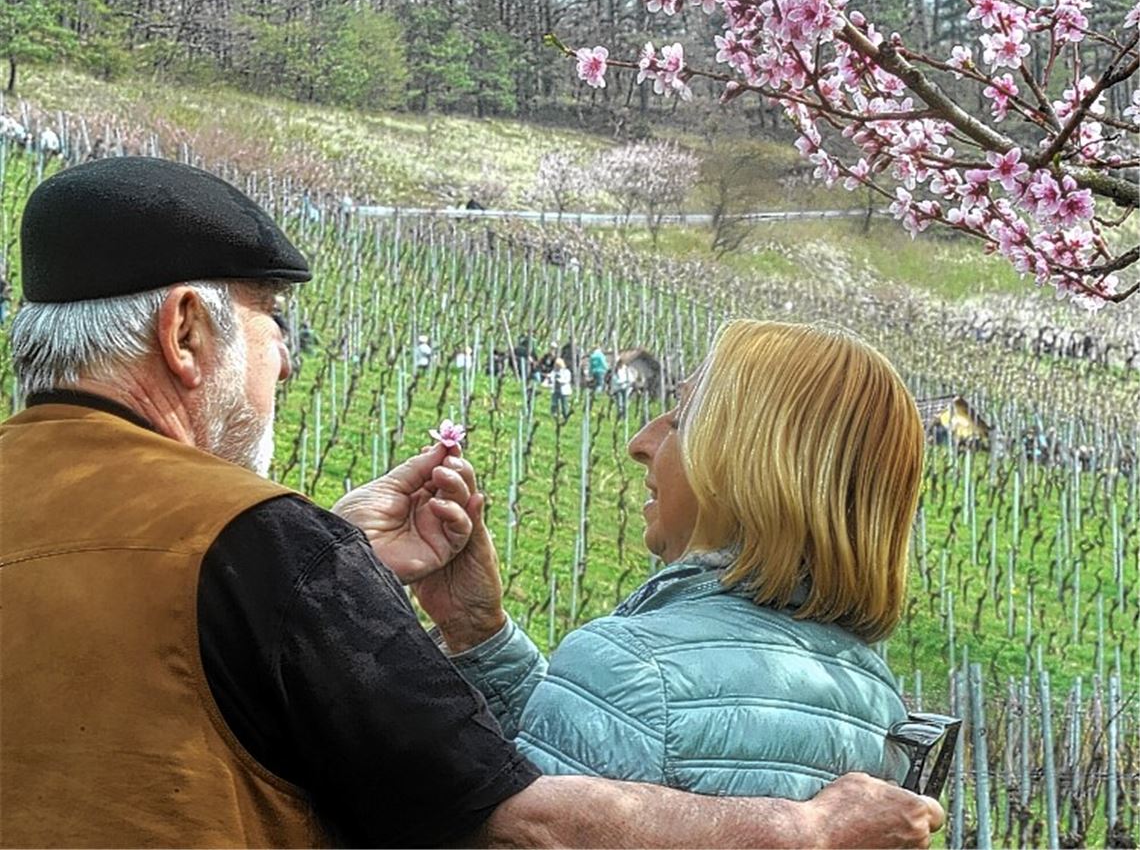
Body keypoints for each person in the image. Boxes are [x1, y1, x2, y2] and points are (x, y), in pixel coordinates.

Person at [0, 159, 943, 848]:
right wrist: (810, 832)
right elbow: (508, 821)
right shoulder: (258, 544)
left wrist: (368, 574)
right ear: (186, 331)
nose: (286, 358)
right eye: (271, 322)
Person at [414, 320, 927, 799]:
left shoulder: (634, 665)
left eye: (680, 420)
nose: (641, 444)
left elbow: (546, 812)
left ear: (748, 466)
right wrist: (478, 629)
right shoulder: (873, 697)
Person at [550, 356, 572, 422]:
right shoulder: (553, 372)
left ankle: (566, 415)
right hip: (556, 390)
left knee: (564, 404)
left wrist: (560, 381)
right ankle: (554, 414)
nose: (557, 367)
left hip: (563, 391)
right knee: (554, 402)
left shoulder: (566, 372)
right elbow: (552, 378)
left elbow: (567, 380)